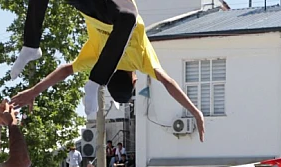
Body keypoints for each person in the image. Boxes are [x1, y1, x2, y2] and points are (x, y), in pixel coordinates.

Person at [11, 0, 206, 141]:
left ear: (134, 80)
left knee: (129, 17)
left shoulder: (141, 60)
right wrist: (33, 91)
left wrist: (196, 111)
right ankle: (32, 47)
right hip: (93, 9)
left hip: (109, 9)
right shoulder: (97, 59)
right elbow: (66, 70)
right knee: (127, 19)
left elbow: (168, 82)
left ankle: (31, 44)